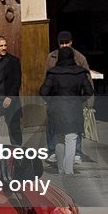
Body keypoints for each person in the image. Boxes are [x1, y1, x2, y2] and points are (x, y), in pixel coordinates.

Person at [40, 46, 94, 175]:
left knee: (59, 138)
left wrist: (51, 101)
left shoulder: (53, 73)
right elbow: (89, 91)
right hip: (74, 108)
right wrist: (79, 100)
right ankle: (69, 170)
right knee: (71, 138)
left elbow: (43, 91)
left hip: (56, 109)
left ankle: (60, 169)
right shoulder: (80, 73)